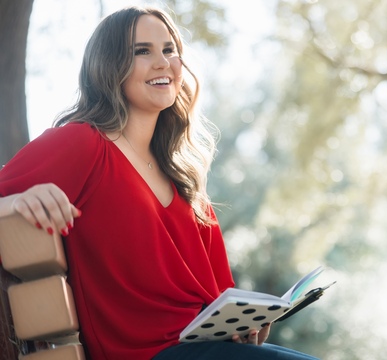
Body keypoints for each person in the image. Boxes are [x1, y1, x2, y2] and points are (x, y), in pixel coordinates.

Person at [0, 6, 319, 360]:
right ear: (109, 65)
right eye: (142, 51)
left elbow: (220, 299)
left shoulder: (190, 190)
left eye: (169, 50)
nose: (162, 62)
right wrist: (15, 202)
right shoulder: (83, 144)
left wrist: (247, 324)